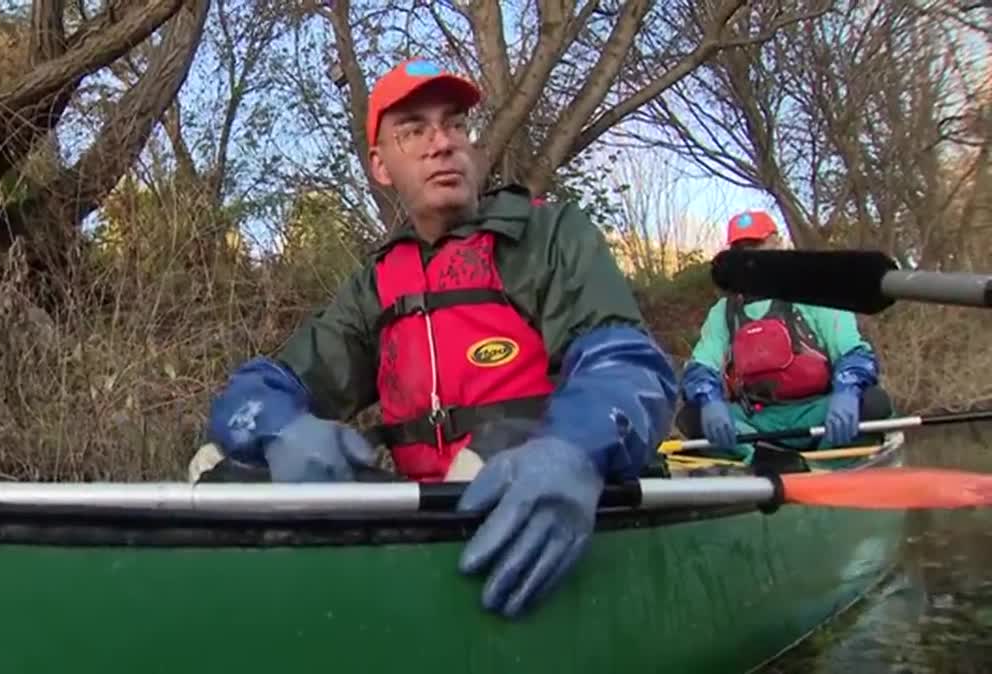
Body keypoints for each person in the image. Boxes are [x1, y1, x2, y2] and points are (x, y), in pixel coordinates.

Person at [200, 58, 678, 619]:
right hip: (428, 518)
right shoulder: (377, 285)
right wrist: (281, 426)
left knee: (496, 453)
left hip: (551, 485)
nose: (441, 143)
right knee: (220, 459)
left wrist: (576, 448)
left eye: (454, 124)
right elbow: (262, 384)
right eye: (414, 130)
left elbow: (627, 365)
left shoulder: (549, 235)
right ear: (380, 165)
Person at [677, 210, 893, 463]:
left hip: (817, 412)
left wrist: (846, 391)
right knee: (693, 416)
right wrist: (710, 401)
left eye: (756, 245)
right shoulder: (723, 312)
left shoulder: (817, 295)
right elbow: (699, 369)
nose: (749, 257)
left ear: (777, 244)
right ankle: (758, 460)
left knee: (872, 403)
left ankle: (825, 462)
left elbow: (855, 354)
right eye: (741, 248)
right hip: (756, 420)